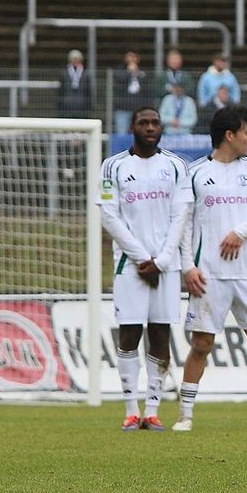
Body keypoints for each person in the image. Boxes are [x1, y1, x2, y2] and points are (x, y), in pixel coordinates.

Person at [173, 105, 247, 432]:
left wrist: (240, 233)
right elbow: (185, 225)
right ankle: (185, 415)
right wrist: (187, 267)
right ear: (230, 135)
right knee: (202, 344)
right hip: (209, 274)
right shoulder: (194, 173)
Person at [98, 107, 192, 431]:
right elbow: (109, 216)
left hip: (166, 265)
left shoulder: (176, 166)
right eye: (143, 122)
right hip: (130, 265)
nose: (150, 127)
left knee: (160, 333)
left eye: (155, 123)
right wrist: (141, 257)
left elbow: (181, 215)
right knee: (129, 333)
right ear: (133, 128)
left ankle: (152, 411)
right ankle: (129, 410)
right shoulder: (113, 166)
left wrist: (163, 260)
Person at [113, 51, 151, 134]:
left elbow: (147, 89)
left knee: (140, 133)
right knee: (121, 133)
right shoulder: (119, 71)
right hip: (123, 108)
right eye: (129, 56)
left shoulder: (143, 73)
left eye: (134, 57)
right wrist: (129, 72)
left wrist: (136, 73)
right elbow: (119, 82)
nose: (132, 59)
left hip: (139, 109)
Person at [57, 49, 92, 118]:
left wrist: (88, 106)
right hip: (67, 106)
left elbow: (88, 91)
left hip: (82, 106)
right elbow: (61, 91)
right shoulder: (64, 74)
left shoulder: (85, 74)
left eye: (77, 59)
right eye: (74, 59)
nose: (75, 61)